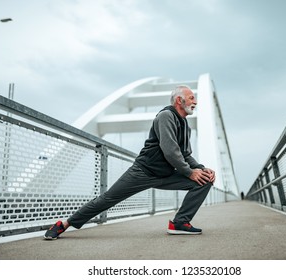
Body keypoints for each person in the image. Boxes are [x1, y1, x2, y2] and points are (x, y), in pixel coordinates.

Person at [44, 85, 215, 240]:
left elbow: (185, 154)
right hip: (143, 172)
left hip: (166, 174)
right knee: (107, 199)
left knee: (205, 180)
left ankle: (179, 223)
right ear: (180, 100)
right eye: (192, 98)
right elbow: (170, 150)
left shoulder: (185, 124)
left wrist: (201, 169)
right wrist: (190, 172)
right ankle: (64, 225)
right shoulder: (166, 116)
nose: (196, 102)